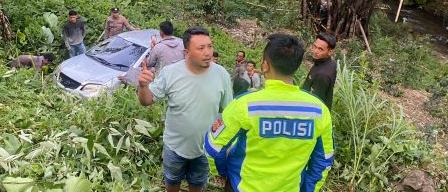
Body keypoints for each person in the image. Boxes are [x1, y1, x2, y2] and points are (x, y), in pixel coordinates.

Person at [205, 34, 334, 192]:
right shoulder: (319, 111)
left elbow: (213, 148)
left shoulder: (245, 105)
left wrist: (222, 173)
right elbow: (323, 161)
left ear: (265, 66)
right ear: (296, 66)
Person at [138, 26, 233, 192]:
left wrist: (228, 144)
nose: (208, 53)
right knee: (172, 180)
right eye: (201, 48)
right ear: (187, 53)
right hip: (174, 147)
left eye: (210, 46)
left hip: (205, 149)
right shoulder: (171, 73)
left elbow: (228, 112)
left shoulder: (222, 74)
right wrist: (143, 86)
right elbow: (146, 101)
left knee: (197, 183)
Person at [302, 32, 337, 110]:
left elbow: (315, 104)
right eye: (315, 47)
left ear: (330, 52)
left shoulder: (322, 75)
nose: (315, 51)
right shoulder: (329, 63)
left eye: (320, 49)